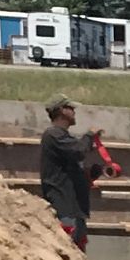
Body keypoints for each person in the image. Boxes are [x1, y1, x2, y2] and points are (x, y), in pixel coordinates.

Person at [39, 97, 98, 249]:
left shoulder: (64, 138)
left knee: (77, 251)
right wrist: (89, 136)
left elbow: (72, 167)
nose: (74, 112)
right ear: (61, 111)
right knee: (67, 249)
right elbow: (78, 151)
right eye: (70, 108)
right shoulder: (53, 135)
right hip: (64, 208)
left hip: (75, 208)